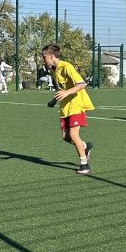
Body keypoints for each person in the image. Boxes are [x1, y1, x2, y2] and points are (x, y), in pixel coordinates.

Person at [42, 43, 94, 175]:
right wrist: (54, 101)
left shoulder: (66, 66)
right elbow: (61, 89)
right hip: (65, 107)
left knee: (73, 135)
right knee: (65, 137)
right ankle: (84, 147)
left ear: (51, 56)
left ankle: (84, 165)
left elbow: (82, 84)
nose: (43, 59)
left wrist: (67, 92)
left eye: (44, 57)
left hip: (76, 104)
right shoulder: (53, 70)